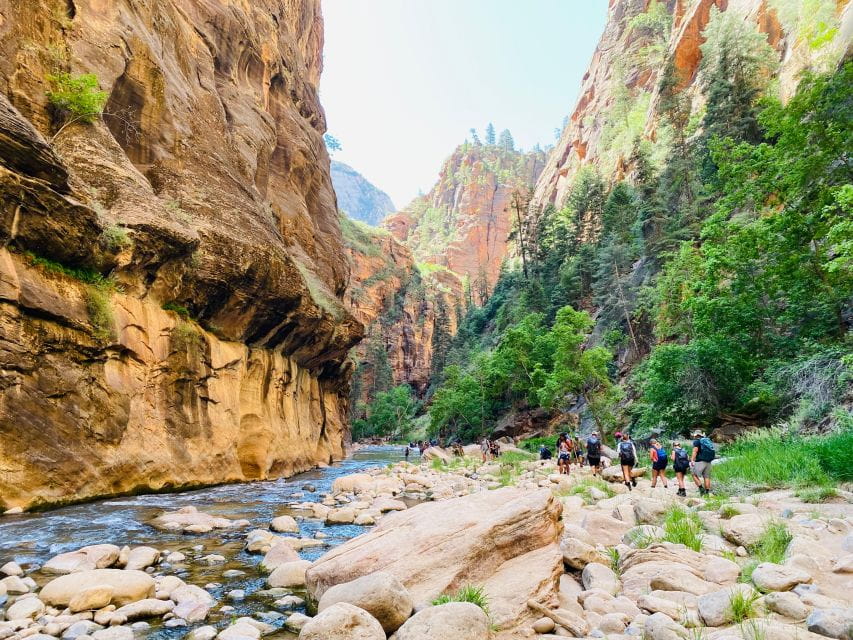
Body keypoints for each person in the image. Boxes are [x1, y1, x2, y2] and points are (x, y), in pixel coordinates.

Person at [690, 430, 716, 496]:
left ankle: (701, 489)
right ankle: (707, 492)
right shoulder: (707, 441)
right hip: (708, 462)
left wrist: (692, 460)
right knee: (707, 477)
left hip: (700, 461)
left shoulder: (697, 441)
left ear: (696, 435)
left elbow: (695, 451)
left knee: (693, 474)